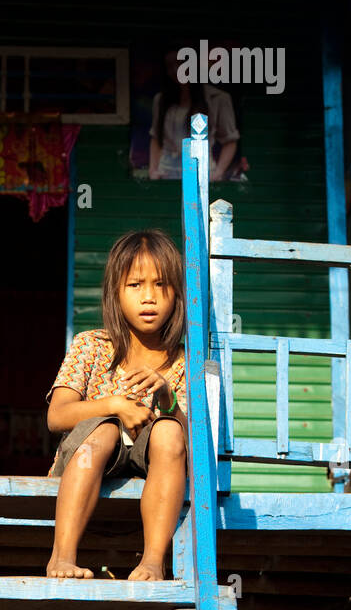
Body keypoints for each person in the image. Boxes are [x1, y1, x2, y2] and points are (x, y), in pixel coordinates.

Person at [45, 228, 188, 582]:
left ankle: (153, 561)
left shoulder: (187, 362)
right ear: (115, 293)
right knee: (105, 429)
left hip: (150, 468)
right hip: (88, 457)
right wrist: (115, 406)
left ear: (178, 295)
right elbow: (57, 416)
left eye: (161, 285)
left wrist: (167, 398)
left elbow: (194, 445)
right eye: (135, 285)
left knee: (170, 430)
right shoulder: (90, 345)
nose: (149, 298)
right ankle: (61, 557)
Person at [148, 48, 239, 182]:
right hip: (167, 173)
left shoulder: (217, 98)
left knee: (194, 203)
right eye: (170, 66)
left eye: (180, 63)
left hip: (201, 173)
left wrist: (218, 172)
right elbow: (156, 137)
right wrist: (153, 170)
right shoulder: (161, 100)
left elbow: (230, 140)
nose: (175, 70)